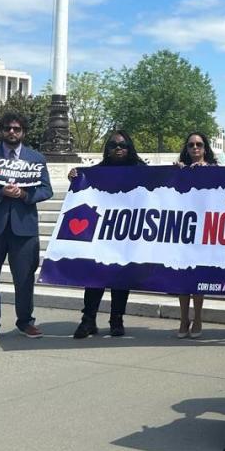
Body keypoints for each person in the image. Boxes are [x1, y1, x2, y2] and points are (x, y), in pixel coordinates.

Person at [0, 112, 53, 345]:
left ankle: (25, 321)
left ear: (24, 132)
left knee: (24, 278)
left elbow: (46, 190)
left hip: (24, 228)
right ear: (1, 131)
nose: (12, 132)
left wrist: (24, 194)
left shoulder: (36, 158)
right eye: (7, 128)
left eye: (16, 128)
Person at [67, 130, 145, 339]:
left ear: (129, 148)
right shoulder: (96, 172)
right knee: (95, 275)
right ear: (107, 149)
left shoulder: (141, 170)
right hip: (101, 233)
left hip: (127, 232)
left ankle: (116, 319)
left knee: (121, 277)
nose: (118, 148)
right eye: (113, 145)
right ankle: (88, 319)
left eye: (122, 145)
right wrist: (75, 176)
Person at [175, 131, 218, 338]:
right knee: (182, 276)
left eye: (199, 144)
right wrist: (176, 172)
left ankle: (198, 317)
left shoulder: (214, 169)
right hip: (183, 228)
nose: (195, 148)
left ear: (205, 147)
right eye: (191, 145)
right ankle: (184, 318)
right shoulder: (179, 169)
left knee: (197, 276)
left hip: (205, 229)